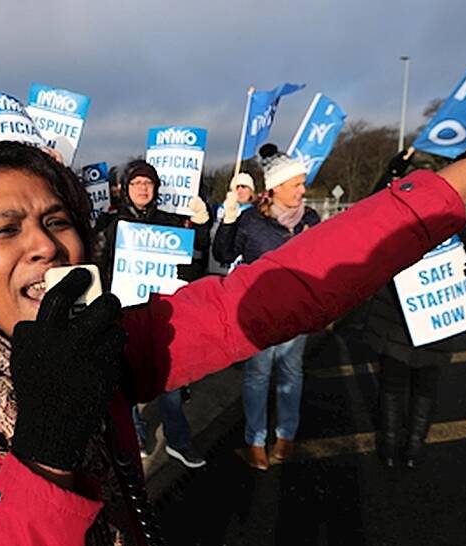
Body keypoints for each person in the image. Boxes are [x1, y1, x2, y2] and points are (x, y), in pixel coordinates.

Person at [0, 140, 466, 546]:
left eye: (57, 221)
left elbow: (275, 292)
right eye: (6, 228)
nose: (43, 245)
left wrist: (456, 184)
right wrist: (47, 449)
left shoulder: (112, 340)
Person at [94, 159, 210, 468]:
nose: (142, 188)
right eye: (136, 183)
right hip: (125, 311)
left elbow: (193, 266)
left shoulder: (170, 221)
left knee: (169, 381)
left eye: (148, 183)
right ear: (125, 189)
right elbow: (100, 266)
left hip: (162, 314)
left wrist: (200, 227)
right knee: (127, 383)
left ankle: (178, 441)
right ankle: (136, 436)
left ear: (155, 188)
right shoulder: (112, 225)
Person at [364, 150, 466, 467]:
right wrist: (394, 166)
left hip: (420, 321)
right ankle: (406, 449)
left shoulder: (403, 223)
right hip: (410, 321)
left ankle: (399, 449)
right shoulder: (453, 226)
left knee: (401, 387)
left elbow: (371, 209)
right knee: (411, 388)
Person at [213, 144, 321, 471]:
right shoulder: (250, 221)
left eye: (303, 183)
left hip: (297, 313)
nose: (303, 190)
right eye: (296, 185)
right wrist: (229, 220)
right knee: (258, 375)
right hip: (261, 316)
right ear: (274, 188)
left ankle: (286, 432)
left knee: (291, 373)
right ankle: (255, 439)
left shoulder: (311, 219)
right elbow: (222, 254)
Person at [207, 172, 257, 275]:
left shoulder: (254, 214)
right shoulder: (220, 209)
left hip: (240, 268)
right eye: (236, 187)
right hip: (215, 267)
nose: (239, 190)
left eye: (244, 187)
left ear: (251, 191)